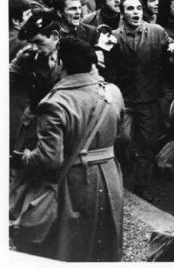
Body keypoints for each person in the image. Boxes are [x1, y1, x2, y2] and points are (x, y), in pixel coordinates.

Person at [11, 37, 125, 261]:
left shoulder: (55, 103)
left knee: (69, 247)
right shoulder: (112, 92)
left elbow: (48, 160)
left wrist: (23, 157)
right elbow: (122, 134)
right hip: (109, 177)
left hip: (74, 182)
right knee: (103, 243)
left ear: (60, 64)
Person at [103, 0, 170, 200]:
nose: (136, 12)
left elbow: (168, 59)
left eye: (139, 8)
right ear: (123, 14)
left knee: (147, 144)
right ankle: (126, 165)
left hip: (148, 97)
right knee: (122, 138)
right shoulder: (113, 36)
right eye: (130, 9)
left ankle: (142, 185)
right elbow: (107, 67)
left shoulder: (157, 32)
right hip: (125, 98)